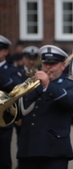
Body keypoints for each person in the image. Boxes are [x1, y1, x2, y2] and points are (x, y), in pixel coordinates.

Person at [16, 45, 73, 169]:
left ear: (63, 65)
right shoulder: (32, 84)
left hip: (54, 150)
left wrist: (48, 85)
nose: (48, 67)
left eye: (53, 64)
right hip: (28, 148)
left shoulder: (70, 84)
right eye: (45, 63)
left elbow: (71, 102)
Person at [0, 35, 23, 169]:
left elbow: (17, 87)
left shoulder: (12, 71)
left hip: (3, 119)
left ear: (5, 52)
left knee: (3, 157)